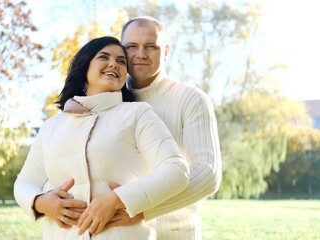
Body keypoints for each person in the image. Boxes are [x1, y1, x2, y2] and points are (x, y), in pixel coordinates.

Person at [14, 36, 190, 240]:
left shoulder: (138, 114)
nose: (113, 63)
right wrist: (40, 202)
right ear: (84, 67)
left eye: (121, 61)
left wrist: (117, 199)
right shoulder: (51, 126)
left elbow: (176, 169)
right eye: (103, 57)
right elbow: (24, 182)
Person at [64, 17, 222, 240]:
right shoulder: (110, 100)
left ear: (165, 52)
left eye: (151, 46)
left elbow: (208, 174)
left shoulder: (191, 99)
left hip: (174, 234)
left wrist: (143, 208)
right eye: (131, 47)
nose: (140, 54)